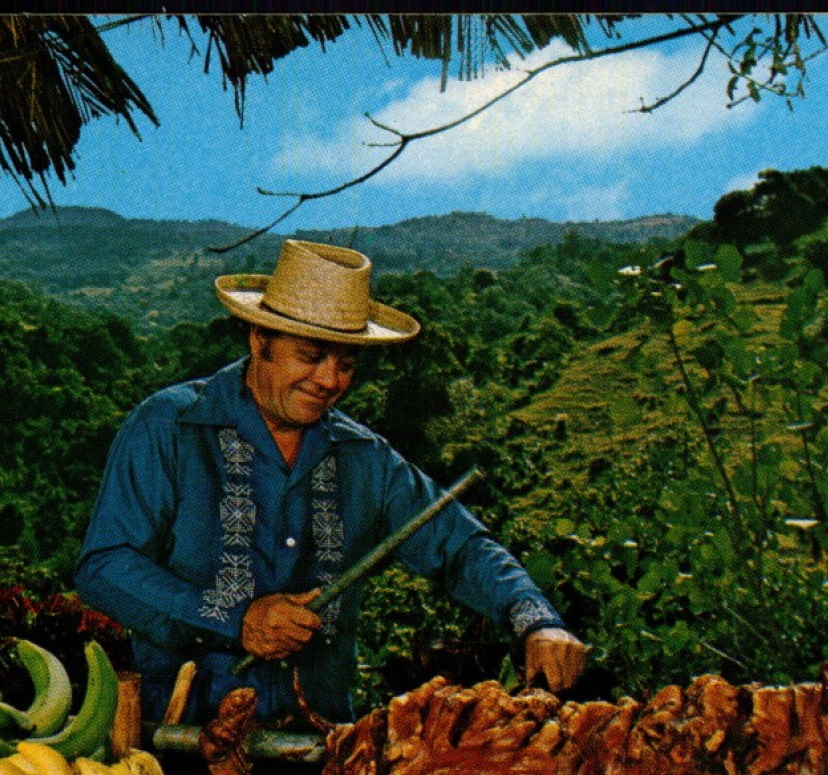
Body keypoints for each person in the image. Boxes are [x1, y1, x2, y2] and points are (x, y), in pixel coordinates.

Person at [75, 239, 587, 737]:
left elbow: (460, 544)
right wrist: (236, 619)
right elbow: (104, 568)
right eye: (311, 356)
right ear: (260, 340)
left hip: (320, 752)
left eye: (345, 363)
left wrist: (537, 620)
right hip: (181, 742)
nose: (329, 380)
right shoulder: (169, 426)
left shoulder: (364, 457)